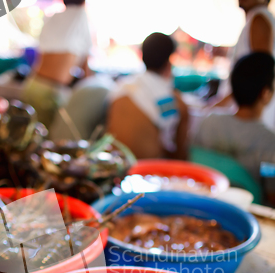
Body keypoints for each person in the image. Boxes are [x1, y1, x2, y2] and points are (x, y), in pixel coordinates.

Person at [193, 52, 275, 182]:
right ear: (265, 93)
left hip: (205, 196)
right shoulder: (269, 143)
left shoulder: (208, 123)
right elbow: (271, 191)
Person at [105, 32, 189, 160]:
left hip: (111, 162)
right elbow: (180, 153)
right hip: (146, 170)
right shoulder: (174, 100)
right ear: (169, 62)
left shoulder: (121, 86)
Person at [22, 0, 92, 128]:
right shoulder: (80, 16)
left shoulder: (54, 18)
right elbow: (86, 68)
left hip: (33, 85)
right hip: (50, 93)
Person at [213, 0, 275, 129]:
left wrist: (217, 106)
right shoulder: (258, 18)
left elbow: (259, 74)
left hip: (249, 120)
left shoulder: (259, 18)